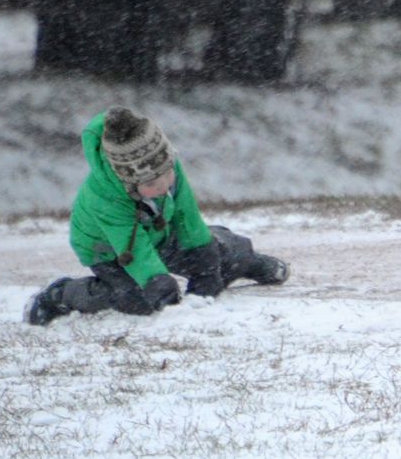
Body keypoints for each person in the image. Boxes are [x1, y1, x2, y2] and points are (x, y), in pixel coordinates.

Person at [24, 107, 290, 325]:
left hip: (159, 233)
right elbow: (134, 246)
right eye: (152, 183)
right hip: (114, 251)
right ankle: (63, 294)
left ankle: (247, 261)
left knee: (215, 256)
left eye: (167, 174)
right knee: (138, 299)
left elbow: (186, 213)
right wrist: (157, 280)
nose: (163, 186)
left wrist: (203, 252)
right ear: (129, 182)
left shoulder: (166, 165)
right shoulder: (105, 197)